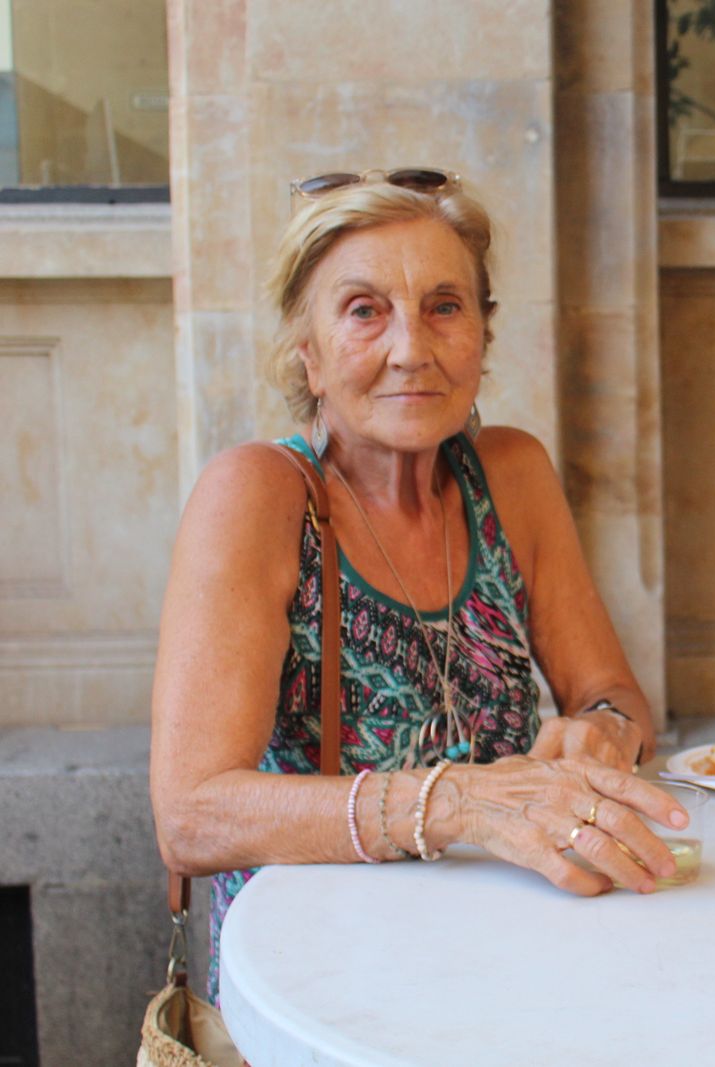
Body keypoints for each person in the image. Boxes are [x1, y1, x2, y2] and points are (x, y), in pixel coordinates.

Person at [149, 168, 687, 999]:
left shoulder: (511, 474)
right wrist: (456, 804)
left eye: (444, 306)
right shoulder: (257, 494)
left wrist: (605, 732)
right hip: (320, 977)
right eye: (365, 311)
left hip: (505, 956)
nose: (413, 348)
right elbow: (190, 814)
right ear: (310, 356)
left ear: (482, 336)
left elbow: (614, 693)